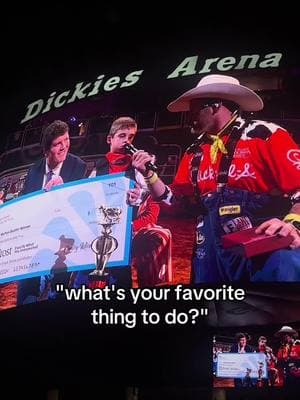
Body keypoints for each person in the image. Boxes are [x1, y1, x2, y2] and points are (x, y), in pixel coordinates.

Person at [131, 74, 300, 283]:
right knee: (212, 313)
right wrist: (149, 175)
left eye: (195, 108)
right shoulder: (194, 151)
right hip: (209, 254)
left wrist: (294, 223)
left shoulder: (265, 135)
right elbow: (175, 201)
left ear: (215, 105)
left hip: (264, 251)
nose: (189, 115)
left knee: (265, 312)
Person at [75, 116, 172, 288]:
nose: (127, 141)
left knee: (161, 235)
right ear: (109, 139)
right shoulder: (96, 170)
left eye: (131, 137)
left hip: (132, 231)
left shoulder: (141, 167)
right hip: (101, 234)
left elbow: (154, 205)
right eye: (122, 136)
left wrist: (132, 225)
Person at [17, 120, 87, 305]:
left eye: (66, 139)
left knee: (60, 293)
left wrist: (64, 193)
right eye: (58, 143)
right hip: (37, 239)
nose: (64, 146)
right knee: (26, 293)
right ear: (46, 150)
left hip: (64, 239)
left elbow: (80, 206)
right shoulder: (34, 170)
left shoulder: (78, 166)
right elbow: (26, 202)